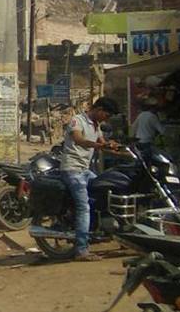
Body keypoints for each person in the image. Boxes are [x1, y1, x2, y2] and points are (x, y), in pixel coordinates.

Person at [61, 96, 122, 261]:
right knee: (84, 207)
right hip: (72, 170)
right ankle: (81, 250)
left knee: (105, 191)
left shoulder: (97, 126)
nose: (106, 119)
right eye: (107, 115)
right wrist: (99, 145)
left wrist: (120, 149)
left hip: (85, 170)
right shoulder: (77, 120)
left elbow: (104, 144)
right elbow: (78, 139)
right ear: (99, 109)